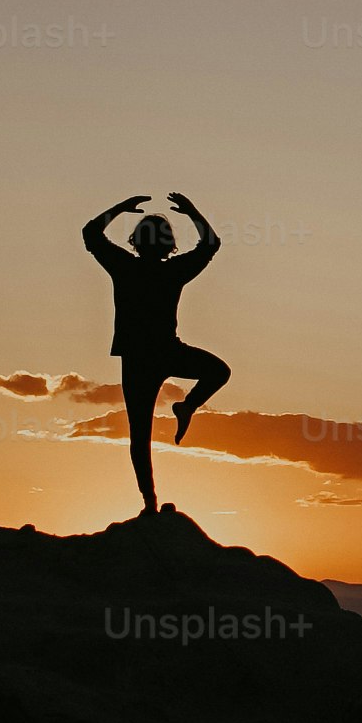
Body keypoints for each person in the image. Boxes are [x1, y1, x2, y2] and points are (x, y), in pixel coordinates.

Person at [80, 191, 229, 515]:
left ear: (136, 242)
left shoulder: (125, 267)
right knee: (218, 372)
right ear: (167, 244)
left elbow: (91, 233)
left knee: (140, 436)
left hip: (143, 356)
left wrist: (120, 207)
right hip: (158, 353)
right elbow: (210, 244)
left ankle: (151, 501)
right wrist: (192, 211)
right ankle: (186, 408)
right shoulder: (170, 270)